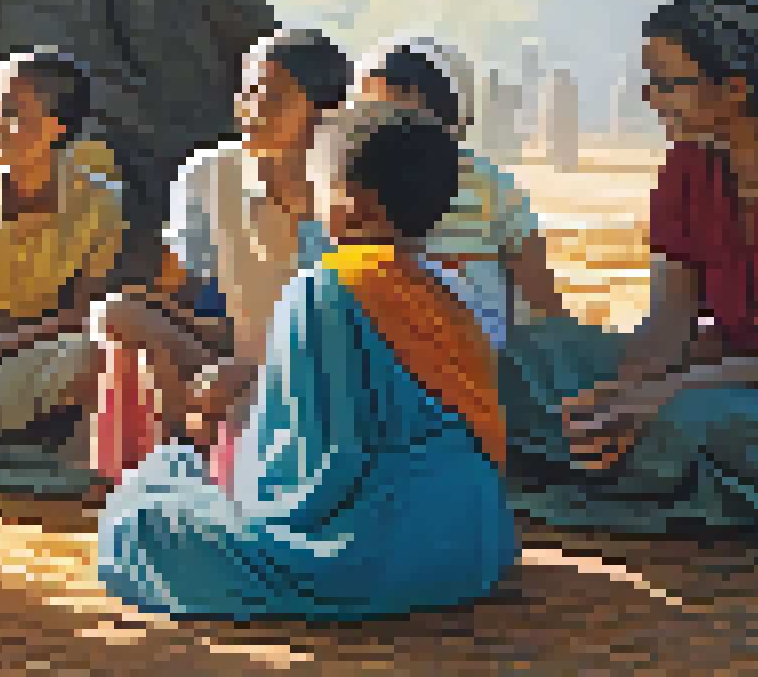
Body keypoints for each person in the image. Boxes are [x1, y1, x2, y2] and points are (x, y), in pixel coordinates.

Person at [500, 0, 758, 536]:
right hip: (733, 381)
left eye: (669, 83)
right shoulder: (687, 168)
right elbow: (670, 322)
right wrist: (624, 392)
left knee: (681, 417)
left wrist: (667, 391)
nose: (650, 98)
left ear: (736, 90)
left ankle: (621, 464)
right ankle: (625, 458)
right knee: (529, 354)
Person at [97, 102, 520, 621]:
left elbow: (308, 475)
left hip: (381, 550)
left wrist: (230, 493)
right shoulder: (449, 290)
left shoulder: (326, 289)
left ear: (350, 208)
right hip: (475, 542)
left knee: (141, 523)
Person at [88, 29, 346, 490]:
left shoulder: (347, 189)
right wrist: (210, 354)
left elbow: (341, 327)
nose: (251, 108)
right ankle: (179, 461)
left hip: (322, 375)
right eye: (247, 91)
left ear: (321, 110)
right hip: (237, 354)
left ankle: (198, 464)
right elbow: (184, 292)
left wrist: (251, 371)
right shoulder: (208, 173)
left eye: (272, 95)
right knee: (117, 316)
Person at [0, 49, 127, 464]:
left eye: (10, 113)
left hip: (44, 360)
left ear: (57, 127)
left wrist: (4, 343)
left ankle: (67, 462)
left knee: (97, 353)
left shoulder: (97, 202)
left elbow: (83, 317)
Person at [353, 35, 564, 346]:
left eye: (392, 109)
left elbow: (542, 299)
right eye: (365, 109)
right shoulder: (350, 186)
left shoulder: (492, 189)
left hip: (479, 369)